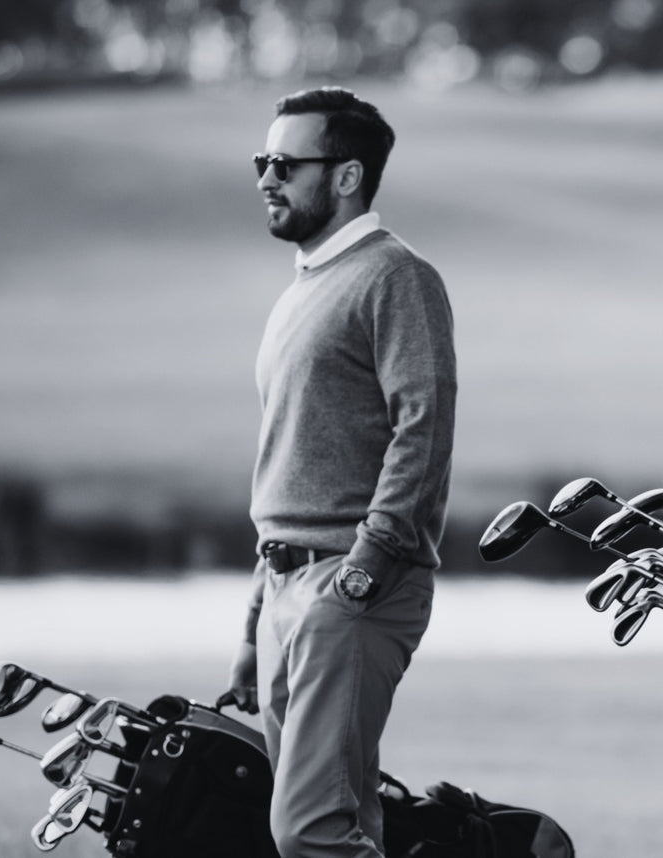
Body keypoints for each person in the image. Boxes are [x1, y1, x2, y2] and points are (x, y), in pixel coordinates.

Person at [220, 86, 457, 858]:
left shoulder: (396, 277)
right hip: (290, 587)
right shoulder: (304, 287)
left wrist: (368, 562)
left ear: (347, 175)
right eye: (263, 160)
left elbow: (423, 424)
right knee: (335, 823)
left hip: (349, 587)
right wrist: (257, 624)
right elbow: (290, 460)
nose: (265, 177)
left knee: (311, 832)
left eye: (285, 163)